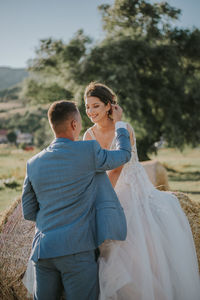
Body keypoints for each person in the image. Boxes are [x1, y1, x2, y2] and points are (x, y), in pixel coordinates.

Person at [83, 82, 200, 300]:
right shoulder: (88, 135)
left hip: (132, 191)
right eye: (87, 107)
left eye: (96, 106)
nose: (90, 112)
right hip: (105, 190)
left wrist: (103, 201)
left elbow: (118, 168)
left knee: (137, 251)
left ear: (109, 106)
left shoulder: (124, 129)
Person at [22, 100, 132, 300]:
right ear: (74, 125)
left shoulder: (33, 163)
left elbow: (28, 211)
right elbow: (123, 155)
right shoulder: (88, 151)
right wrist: (120, 125)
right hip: (77, 250)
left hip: (43, 252)